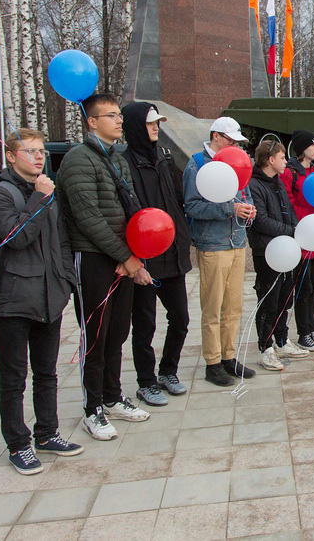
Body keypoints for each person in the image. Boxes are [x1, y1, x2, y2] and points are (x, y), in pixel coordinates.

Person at [0, 128, 83, 475]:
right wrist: (39, 198)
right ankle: (18, 444)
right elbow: (18, 238)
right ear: (11, 156)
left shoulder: (48, 192)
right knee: (13, 378)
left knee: (47, 373)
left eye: (41, 151)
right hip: (13, 301)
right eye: (30, 151)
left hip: (50, 296)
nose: (39, 157)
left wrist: (66, 280)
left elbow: (62, 242)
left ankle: (47, 432)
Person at [56, 93, 150, 442]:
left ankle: (112, 396)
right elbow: (88, 217)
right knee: (95, 335)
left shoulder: (117, 159)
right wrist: (125, 256)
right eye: (110, 116)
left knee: (117, 332)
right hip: (93, 257)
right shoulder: (79, 159)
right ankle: (91, 408)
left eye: (119, 116)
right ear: (92, 122)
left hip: (122, 258)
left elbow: (128, 208)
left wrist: (135, 256)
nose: (119, 121)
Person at [121, 103, 193, 404]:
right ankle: (146, 381)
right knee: (145, 325)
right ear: (137, 125)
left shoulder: (164, 157)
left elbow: (176, 199)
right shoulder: (123, 163)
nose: (155, 127)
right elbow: (126, 212)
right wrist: (134, 260)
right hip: (145, 257)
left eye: (158, 123)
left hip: (171, 254)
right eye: (150, 123)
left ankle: (168, 370)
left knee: (181, 318)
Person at [183, 117, 257, 386]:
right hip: (213, 245)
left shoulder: (237, 162)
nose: (234, 145)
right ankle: (212, 362)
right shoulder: (198, 164)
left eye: (237, 141)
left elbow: (244, 193)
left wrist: (248, 209)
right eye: (230, 140)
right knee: (212, 308)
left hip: (236, 242)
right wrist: (230, 209)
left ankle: (229, 356)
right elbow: (192, 207)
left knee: (233, 307)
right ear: (215, 136)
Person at [247, 140, 308, 370]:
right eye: (282, 157)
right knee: (269, 301)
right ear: (270, 159)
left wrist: (296, 230)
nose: (286, 161)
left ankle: (282, 340)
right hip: (267, 251)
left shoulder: (278, 183)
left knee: (285, 297)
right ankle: (266, 347)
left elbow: (289, 210)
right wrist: (292, 231)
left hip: (286, 249)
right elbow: (261, 221)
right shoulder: (254, 184)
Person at [280, 130, 314, 352]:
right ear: (302, 147)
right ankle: (303, 333)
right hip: (302, 237)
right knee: (304, 287)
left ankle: (310, 329)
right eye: (313, 144)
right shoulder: (290, 172)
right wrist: (313, 214)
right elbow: (289, 206)